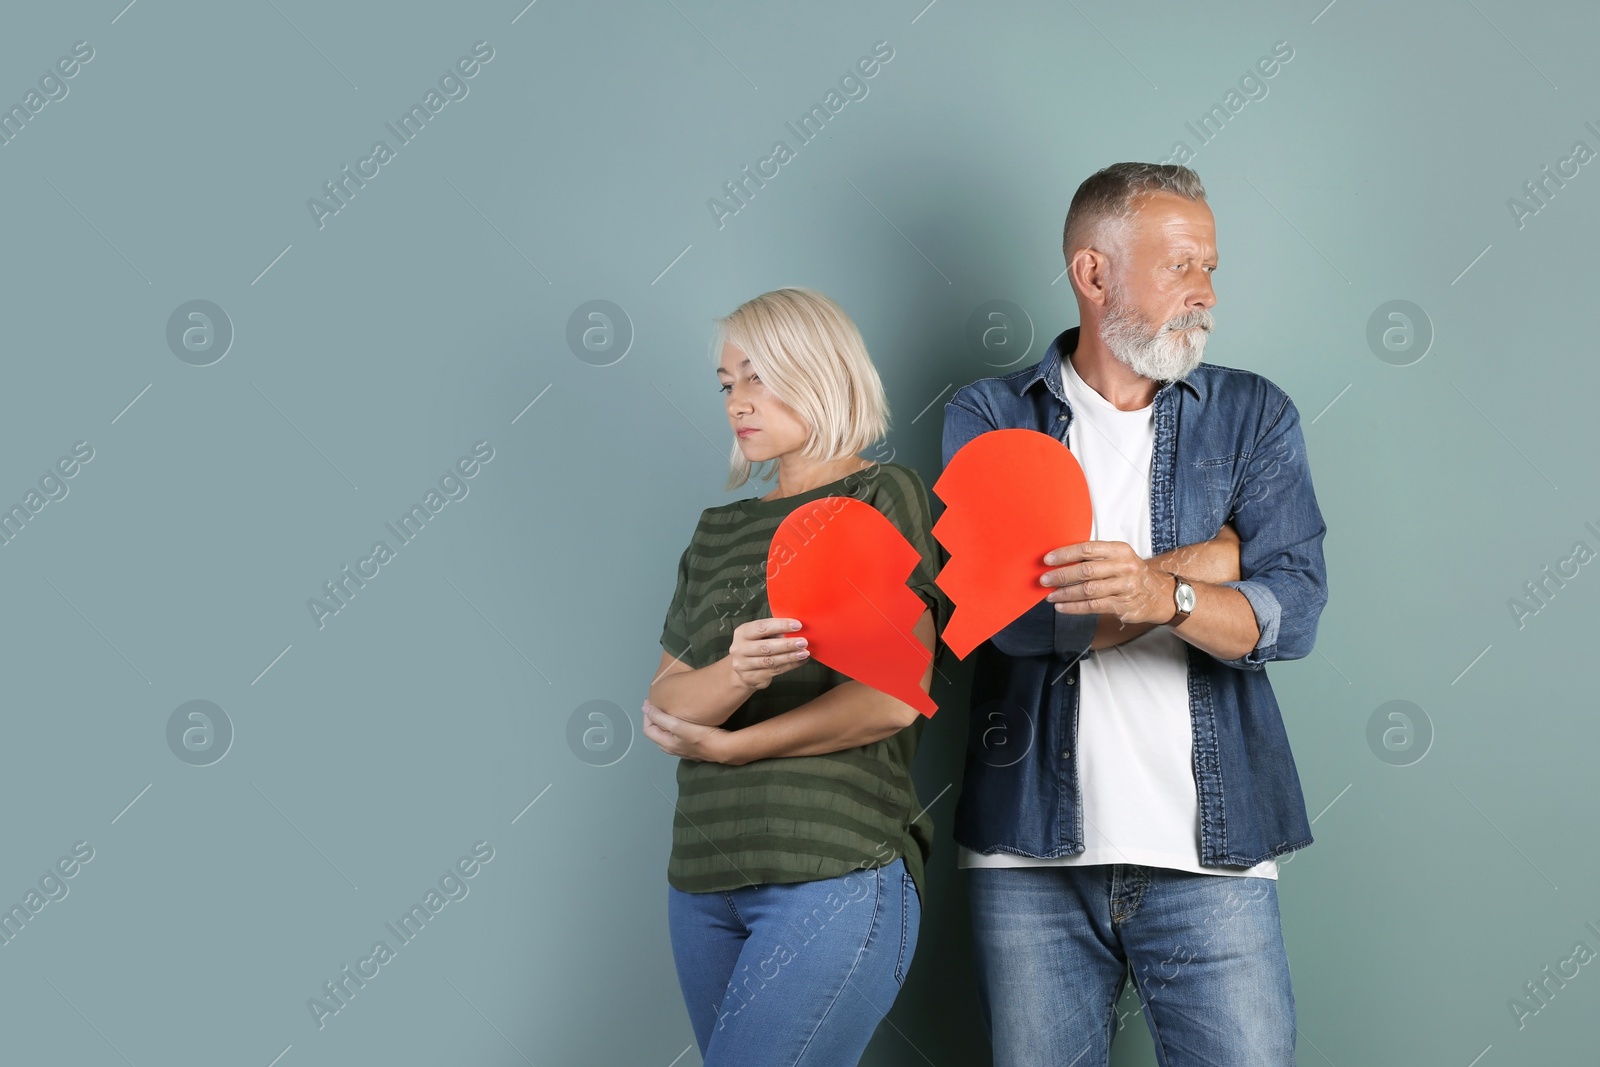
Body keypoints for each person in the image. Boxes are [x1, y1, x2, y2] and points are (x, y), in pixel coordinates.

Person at [941, 162, 1329, 1065]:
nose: (1207, 297)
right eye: (1183, 267)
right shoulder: (989, 414)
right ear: (1094, 272)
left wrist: (1159, 591)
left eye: (1212, 270)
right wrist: (1207, 572)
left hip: (1215, 852)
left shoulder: (1254, 415)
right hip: (1028, 853)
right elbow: (1008, 623)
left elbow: (1295, 611)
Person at [642, 286, 949, 1067]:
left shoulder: (882, 495)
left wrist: (739, 747)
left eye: (757, 376)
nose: (737, 402)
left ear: (819, 370)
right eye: (725, 384)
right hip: (703, 883)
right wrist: (739, 672)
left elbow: (891, 696)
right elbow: (667, 704)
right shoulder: (717, 532)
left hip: (832, 873)